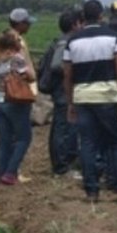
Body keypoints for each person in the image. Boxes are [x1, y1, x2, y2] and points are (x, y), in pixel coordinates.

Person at [63, 0, 117, 203]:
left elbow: (67, 75)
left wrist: (70, 102)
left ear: (83, 17)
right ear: (101, 16)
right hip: (108, 95)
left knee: (88, 144)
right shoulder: (113, 37)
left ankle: (91, 191)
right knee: (116, 141)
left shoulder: (72, 41)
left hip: (83, 97)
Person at [0, 29, 36, 185]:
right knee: (23, 138)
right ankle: (11, 172)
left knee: (4, 139)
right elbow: (31, 76)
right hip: (14, 100)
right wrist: (23, 55)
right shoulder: (16, 59)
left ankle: (2, 171)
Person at [44, 10, 83, 178]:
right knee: (63, 128)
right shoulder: (66, 42)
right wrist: (72, 71)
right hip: (63, 90)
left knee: (61, 126)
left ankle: (61, 163)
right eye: (80, 23)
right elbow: (56, 65)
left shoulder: (63, 40)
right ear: (74, 25)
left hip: (61, 89)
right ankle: (61, 167)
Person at [8, 8, 38, 95]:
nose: (29, 25)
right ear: (20, 24)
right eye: (27, 23)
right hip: (18, 90)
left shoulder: (8, 37)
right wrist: (31, 75)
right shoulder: (16, 41)